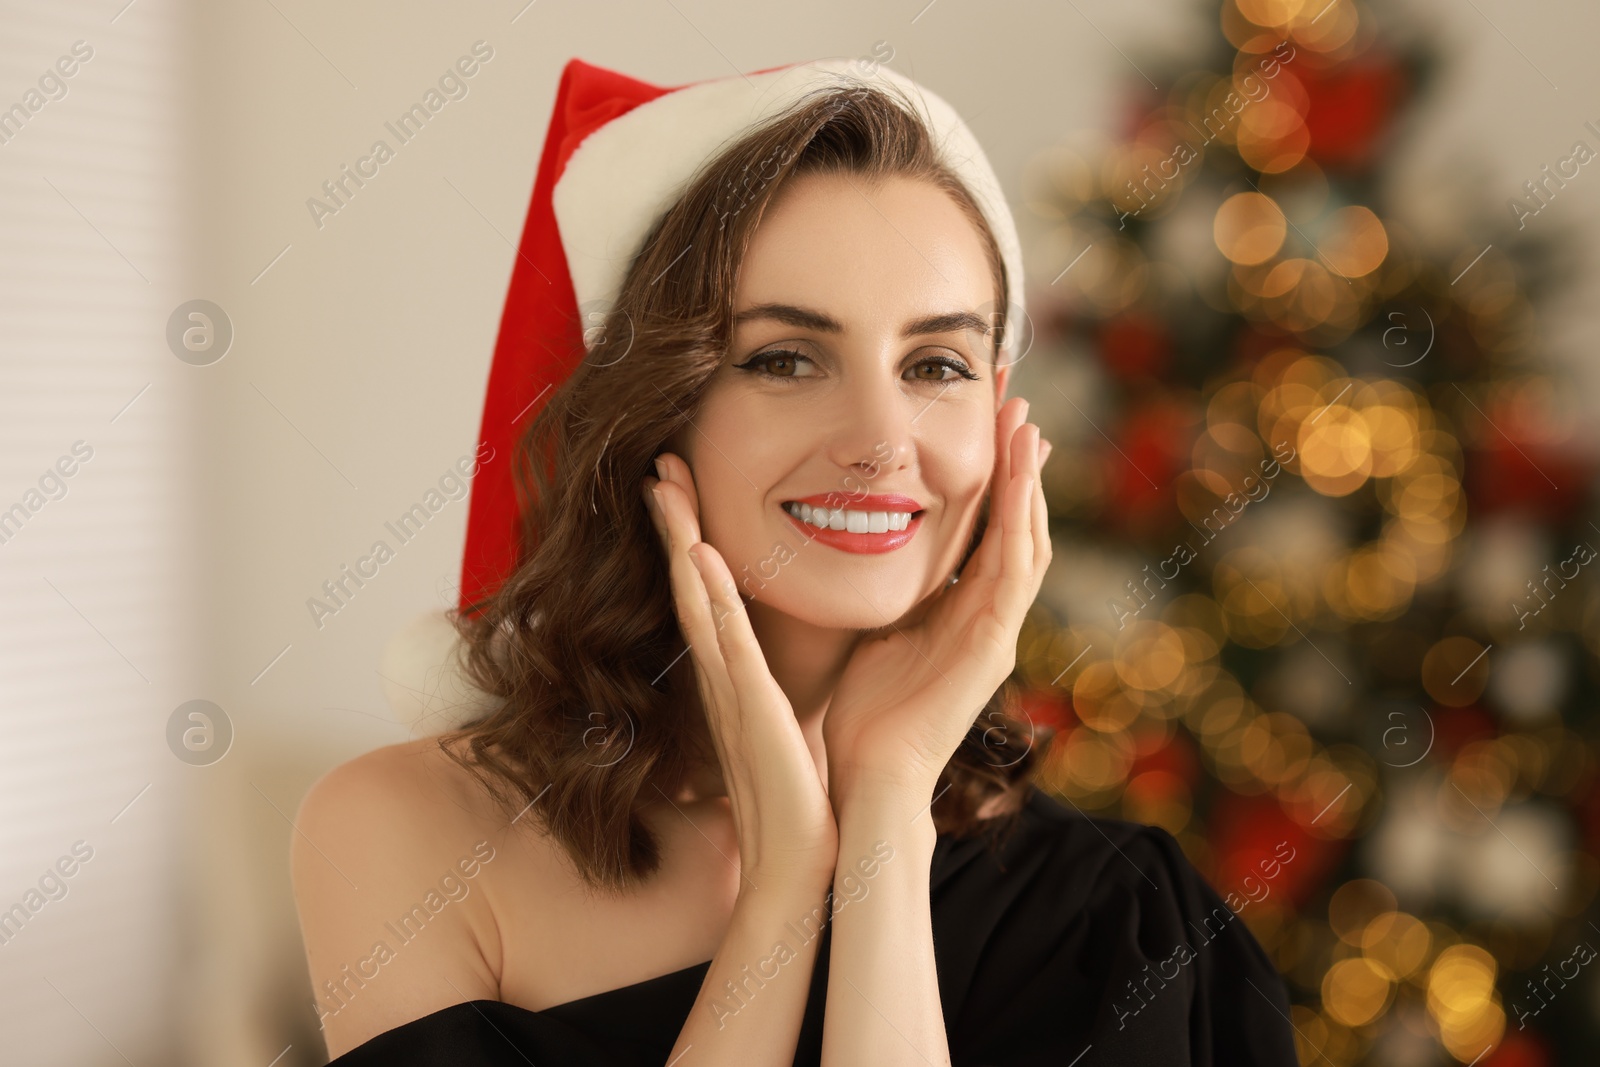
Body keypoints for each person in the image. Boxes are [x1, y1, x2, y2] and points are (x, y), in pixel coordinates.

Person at [291, 56, 1301, 1066]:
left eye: (935, 365)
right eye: (785, 358)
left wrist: (886, 814)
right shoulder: (406, 836)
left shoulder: (1122, 918)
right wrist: (781, 898)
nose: (878, 437)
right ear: (653, 412)